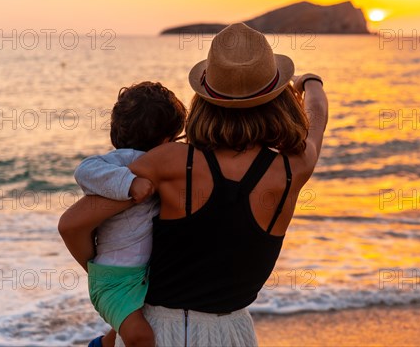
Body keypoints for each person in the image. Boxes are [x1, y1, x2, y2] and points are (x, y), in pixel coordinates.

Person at [60, 23, 328, 346]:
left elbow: (74, 223)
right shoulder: (293, 168)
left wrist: (114, 280)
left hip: (163, 332)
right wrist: (311, 83)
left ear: (205, 98)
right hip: (235, 333)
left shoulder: (171, 161)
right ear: (277, 99)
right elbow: (317, 118)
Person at [60, 82, 187, 347]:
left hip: (142, 273)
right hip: (113, 280)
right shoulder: (122, 161)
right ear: (166, 139)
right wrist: (128, 184)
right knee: (140, 336)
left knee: (136, 325)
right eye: (175, 138)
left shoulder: (161, 163)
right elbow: (85, 171)